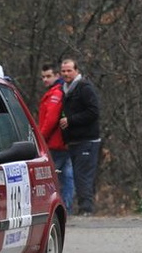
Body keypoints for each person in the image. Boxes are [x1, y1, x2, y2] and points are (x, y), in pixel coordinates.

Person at [58, 58, 100, 215]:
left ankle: (86, 209)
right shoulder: (65, 89)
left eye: (69, 70)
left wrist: (71, 120)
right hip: (74, 141)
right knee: (77, 175)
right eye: (63, 71)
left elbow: (93, 112)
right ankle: (83, 207)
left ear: (76, 71)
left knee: (83, 176)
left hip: (87, 140)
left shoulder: (84, 88)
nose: (66, 74)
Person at [38, 63, 74, 213]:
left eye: (48, 76)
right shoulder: (58, 91)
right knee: (67, 176)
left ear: (56, 76)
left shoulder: (56, 94)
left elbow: (51, 119)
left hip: (55, 143)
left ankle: (55, 208)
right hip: (62, 142)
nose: (45, 79)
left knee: (50, 177)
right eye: (43, 77)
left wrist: (40, 138)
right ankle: (66, 207)